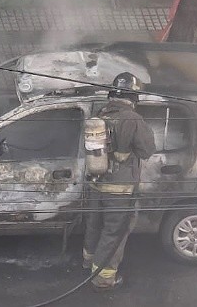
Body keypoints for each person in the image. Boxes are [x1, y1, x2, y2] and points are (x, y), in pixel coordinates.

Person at [82, 72, 156, 290]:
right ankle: (104, 277)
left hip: (97, 183)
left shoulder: (100, 114)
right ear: (133, 97)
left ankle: (89, 263)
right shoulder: (133, 120)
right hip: (120, 190)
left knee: (95, 225)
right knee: (114, 232)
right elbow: (146, 151)